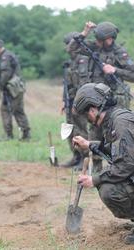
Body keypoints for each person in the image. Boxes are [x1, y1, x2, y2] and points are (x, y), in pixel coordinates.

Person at [72, 83, 134, 244]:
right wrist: (89, 144)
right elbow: (116, 150)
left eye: (86, 115)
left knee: (109, 190)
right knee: (107, 182)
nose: (88, 120)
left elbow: (124, 165)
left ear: (93, 109)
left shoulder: (121, 123)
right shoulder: (116, 118)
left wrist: (94, 179)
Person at [67, 21, 134, 172]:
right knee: (94, 133)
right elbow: (71, 48)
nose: (98, 42)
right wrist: (84, 33)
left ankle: (119, 170)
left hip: (113, 101)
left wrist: (115, 70)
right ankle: (97, 172)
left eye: (101, 40)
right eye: (97, 39)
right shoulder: (94, 47)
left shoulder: (120, 53)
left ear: (110, 38)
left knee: (116, 134)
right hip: (96, 101)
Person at [0, 38, 31, 141]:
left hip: (11, 89)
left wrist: (1, 86)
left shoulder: (5, 57)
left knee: (6, 110)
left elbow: (5, 74)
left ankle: (9, 135)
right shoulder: (9, 54)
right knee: (18, 111)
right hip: (16, 88)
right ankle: (25, 134)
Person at [61, 32, 89, 168]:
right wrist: (64, 102)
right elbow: (67, 84)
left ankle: (84, 159)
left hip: (79, 101)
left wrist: (78, 103)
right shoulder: (71, 62)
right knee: (69, 129)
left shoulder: (82, 60)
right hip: (70, 100)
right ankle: (76, 156)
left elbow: (82, 85)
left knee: (80, 130)